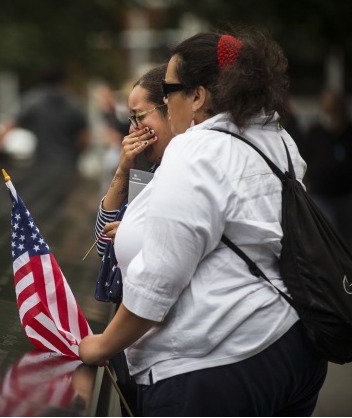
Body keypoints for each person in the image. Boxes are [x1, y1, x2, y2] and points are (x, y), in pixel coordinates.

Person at [79, 29, 328, 416]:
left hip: (216, 365)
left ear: (197, 95)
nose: (165, 100)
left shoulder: (195, 149)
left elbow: (160, 278)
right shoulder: (276, 139)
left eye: (169, 90)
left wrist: (101, 345)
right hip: (292, 348)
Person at [93, 63, 173, 416]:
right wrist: (124, 169)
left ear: (171, 109)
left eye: (140, 118)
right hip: (133, 342)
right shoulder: (146, 167)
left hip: (163, 350)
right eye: (130, 120)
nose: (134, 130)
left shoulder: (184, 169)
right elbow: (101, 246)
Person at [0, 65, 90, 175]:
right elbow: (85, 139)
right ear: (64, 81)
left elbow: (6, 128)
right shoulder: (74, 104)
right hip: (67, 166)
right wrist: (75, 155)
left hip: (42, 165)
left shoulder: (34, 101)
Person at [302, 89, 352, 246]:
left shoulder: (349, 133)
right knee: (330, 238)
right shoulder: (315, 132)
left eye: (333, 107)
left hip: (346, 196)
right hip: (321, 195)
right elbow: (304, 161)